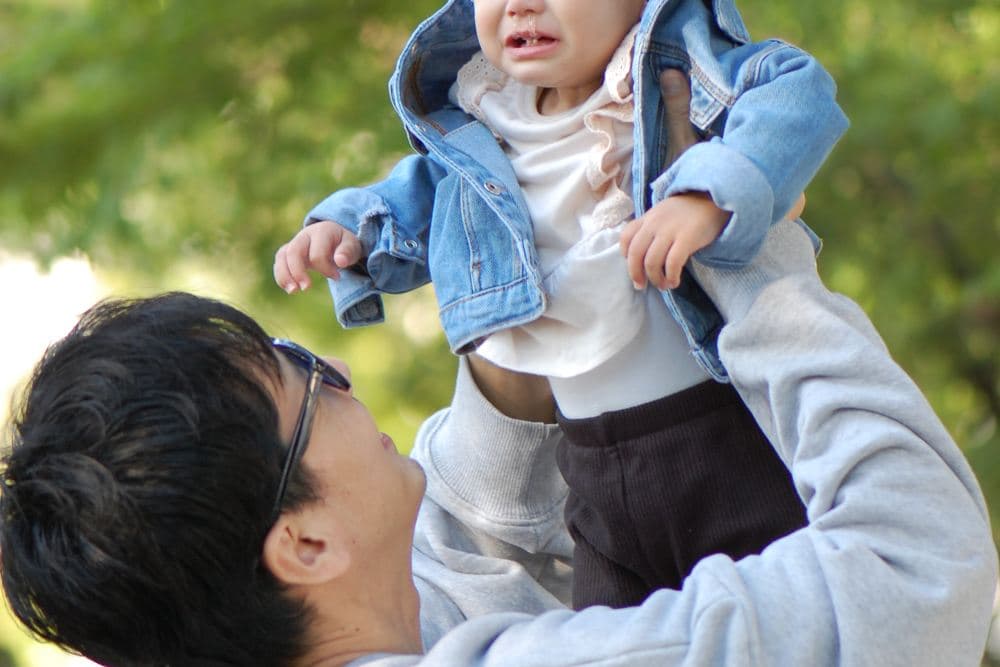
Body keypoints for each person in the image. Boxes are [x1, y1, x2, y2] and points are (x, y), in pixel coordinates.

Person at [3, 220, 997, 665]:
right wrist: (750, 251)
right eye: (306, 377)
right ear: (302, 543)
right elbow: (913, 573)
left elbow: (461, 561)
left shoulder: (350, 621)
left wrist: (521, 309)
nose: (338, 371)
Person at [273, 0, 848, 608]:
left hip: (716, 435)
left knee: (778, 613)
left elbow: (796, 93)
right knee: (609, 632)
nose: (521, 6)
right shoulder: (484, 122)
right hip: (590, 468)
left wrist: (709, 193)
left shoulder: (666, 76)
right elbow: (413, 195)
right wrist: (350, 230)